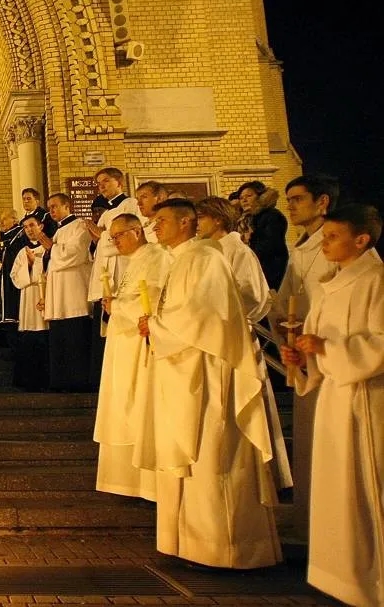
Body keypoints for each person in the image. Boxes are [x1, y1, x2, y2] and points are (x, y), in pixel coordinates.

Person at [139, 198, 281, 569]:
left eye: (162, 221)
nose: (155, 228)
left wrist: (155, 325)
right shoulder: (183, 259)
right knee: (192, 457)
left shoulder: (205, 258)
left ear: (187, 222)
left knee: (213, 454)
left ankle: (228, 549)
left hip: (208, 371)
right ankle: (191, 543)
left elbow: (203, 315)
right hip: (183, 368)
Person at [280, 204, 384, 606]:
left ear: (361, 240)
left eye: (332, 237)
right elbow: (317, 342)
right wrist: (305, 358)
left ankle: (371, 580)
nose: (323, 244)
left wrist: (327, 348)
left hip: (366, 400)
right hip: (333, 398)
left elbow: (378, 342)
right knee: (337, 487)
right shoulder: (331, 283)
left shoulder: (375, 281)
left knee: (365, 485)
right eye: (324, 237)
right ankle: (342, 576)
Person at [196, 197, 292, 491]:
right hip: (213, 337)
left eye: (202, 217)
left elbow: (253, 296)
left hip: (233, 337)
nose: (197, 223)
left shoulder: (238, 251)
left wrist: (223, 315)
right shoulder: (206, 251)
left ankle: (260, 474)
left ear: (219, 220)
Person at [270, 173, 340, 538]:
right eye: (289, 199)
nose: (291, 206)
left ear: (323, 202)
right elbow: (287, 295)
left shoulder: (337, 244)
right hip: (302, 354)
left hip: (330, 354)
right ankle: (312, 522)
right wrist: (279, 317)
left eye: (298, 199)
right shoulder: (301, 246)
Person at [93, 214, 169, 502]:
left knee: (136, 406)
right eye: (112, 238)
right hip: (122, 344)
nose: (115, 242)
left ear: (137, 231)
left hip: (139, 343)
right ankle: (125, 480)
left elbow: (151, 297)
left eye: (119, 235)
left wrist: (119, 306)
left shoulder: (156, 257)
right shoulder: (136, 260)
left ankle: (145, 481)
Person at [85, 167, 140, 388]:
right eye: (98, 183)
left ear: (119, 182)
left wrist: (101, 235)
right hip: (106, 275)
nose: (101, 186)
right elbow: (100, 246)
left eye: (106, 181)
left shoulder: (130, 205)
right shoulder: (107, 212)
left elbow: (128, 239)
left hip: (122, 272)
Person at [38, 193, 92, 391]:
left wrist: (51, 248)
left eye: (54, 206)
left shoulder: (79, 226)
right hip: (58, 293)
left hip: (73, 292)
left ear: (67, 206)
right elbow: (52, 261)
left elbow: (75, 255)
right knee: (60, 338)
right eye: (49, 207)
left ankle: (77, 381)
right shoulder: (59, 231)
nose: (51, 211)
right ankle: (61, 381)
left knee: (75, 337)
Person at [8, 215, 49, 390]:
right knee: (28, 340)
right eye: (25, 227)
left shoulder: (49, 248)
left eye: (32, 225)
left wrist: (36, 262)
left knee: (45, 337)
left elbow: (54, 269)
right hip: (28, 298)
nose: (29, 229)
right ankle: (28, 381)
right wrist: (30, 266)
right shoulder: (21, 252)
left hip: (46, 295)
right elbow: (15, 277)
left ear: (41, 226)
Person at [237, 181, 289, 289]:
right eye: (241, 198)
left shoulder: (272, 216)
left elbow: (269, 245)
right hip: (253, 272)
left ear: (260, 196)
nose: (244, 200)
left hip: (270, 273)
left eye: (249, 196)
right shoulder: (245, 219)